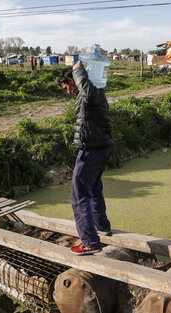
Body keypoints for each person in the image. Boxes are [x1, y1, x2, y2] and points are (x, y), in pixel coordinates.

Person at [58, 60, 113, 255]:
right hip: (101, 147)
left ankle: (89, 241)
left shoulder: (90, 91)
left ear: (75, 80)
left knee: (78, 194)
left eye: (67, 87)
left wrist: (78, 70)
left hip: (91, 149)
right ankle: (101, 225)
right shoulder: (95, 91)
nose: (68, 92)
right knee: (94, 188)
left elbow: (86, 92)